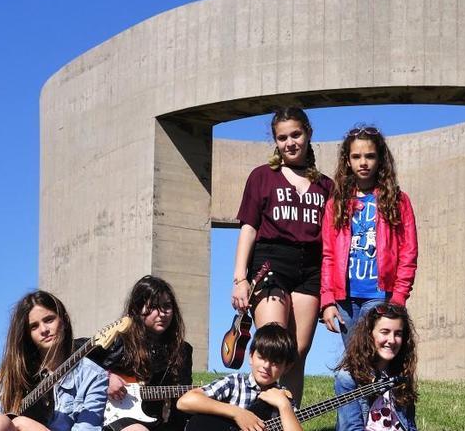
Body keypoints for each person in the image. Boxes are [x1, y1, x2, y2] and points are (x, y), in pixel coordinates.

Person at [231, 107, 334, 404]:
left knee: (296, 355)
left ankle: (288, 419)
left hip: (310, 269)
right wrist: (240, 279)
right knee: (272, 347)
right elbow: (249, 228)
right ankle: (256, 417)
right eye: (282, 137)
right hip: (270, 263)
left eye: (296, 135)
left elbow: (330, 240)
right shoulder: (262, 177)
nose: (290, 142)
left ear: (308, 134)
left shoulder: (326, 186)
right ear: (275, 142)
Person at [320, 126, 418, 345]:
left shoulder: (398, 201)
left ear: (380, 159)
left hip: (380, 295)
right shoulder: (335, 204)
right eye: (356, 156)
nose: (363, 162)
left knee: (374, 358)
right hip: (345, 298)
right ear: (347, 160)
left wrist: (399, 296)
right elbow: (328, 255)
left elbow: (408, 253)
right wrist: (327, 299)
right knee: (354, 362)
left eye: (370, 156)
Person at [0, 291, 109, 431]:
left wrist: (25, 424)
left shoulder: (93, 375)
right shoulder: (16, 371)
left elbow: (88, 428)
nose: (44, 330)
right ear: (27, 334)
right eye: (34, 326)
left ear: (64, 320)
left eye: (49, 320)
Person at [90, 275, 193, 431]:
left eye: (167, 306)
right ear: (137, 309)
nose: (162, 313)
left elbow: (183, 398)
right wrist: (106, 378)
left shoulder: (183, 350)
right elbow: (73, 354)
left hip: (157, 421)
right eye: (153, 307)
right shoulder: (118, 340)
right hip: (113, 419)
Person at [176, 323, 302, 431]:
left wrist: (284, 405)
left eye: (275, 362)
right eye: (262, 357)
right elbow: (185, 402)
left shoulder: (283, 398)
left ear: (287, 367)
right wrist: (237, 413)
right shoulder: (235, 383)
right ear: (251, 356)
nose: (266, 366)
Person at [333, 303, 418, 431]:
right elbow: (351, 428)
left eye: (398, 334)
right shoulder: (347, 378)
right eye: (385, 332)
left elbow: (410, 425)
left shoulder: (402, 373)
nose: (392, 340)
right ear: (369, 335)